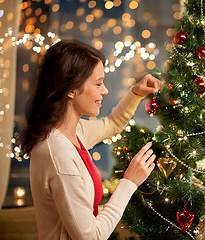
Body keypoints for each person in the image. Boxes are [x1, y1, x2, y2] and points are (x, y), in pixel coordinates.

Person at [21, 39, 163, 239]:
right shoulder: (58, 153)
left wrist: (135, 93)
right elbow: (91, 237)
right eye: (98, 84)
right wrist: (129, 182)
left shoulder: (74, 131)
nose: (105, 90)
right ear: (70, 89)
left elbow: (112, 124)